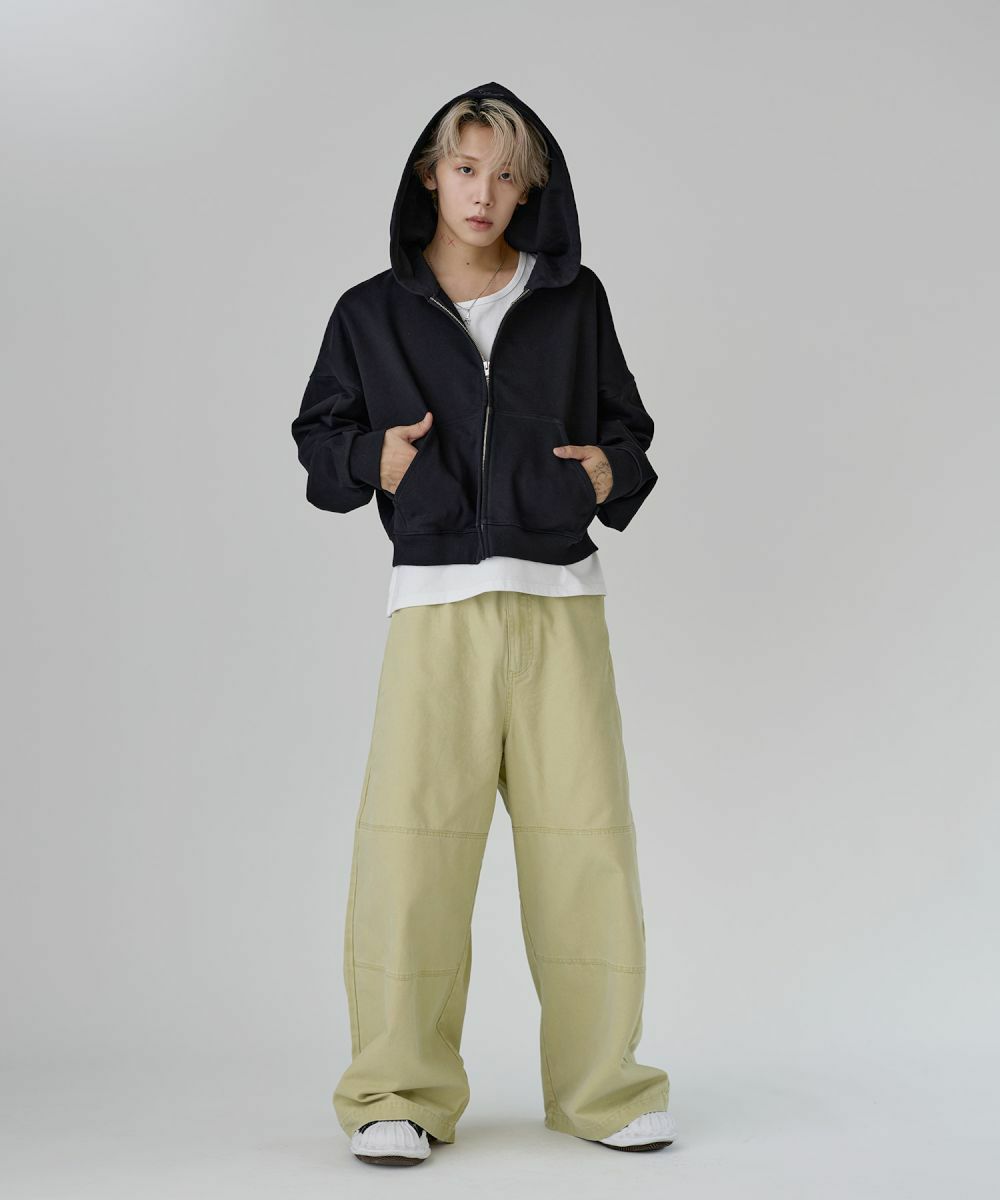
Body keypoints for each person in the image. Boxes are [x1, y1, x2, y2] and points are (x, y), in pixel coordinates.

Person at [291, 81, 677, 1166]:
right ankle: (395, 1093)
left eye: (508, 176)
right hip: (436, 608)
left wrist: (604, 473)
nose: (484, 193)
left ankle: (603, 1091)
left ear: (530, 190)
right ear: (431, 175)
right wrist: (374, 459)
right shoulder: (370, 311)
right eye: (467, 168)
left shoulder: (574, 299)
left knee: (585, 852)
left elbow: (629, 430)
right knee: (411, 857)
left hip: (559, 602)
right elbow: (319, 438)